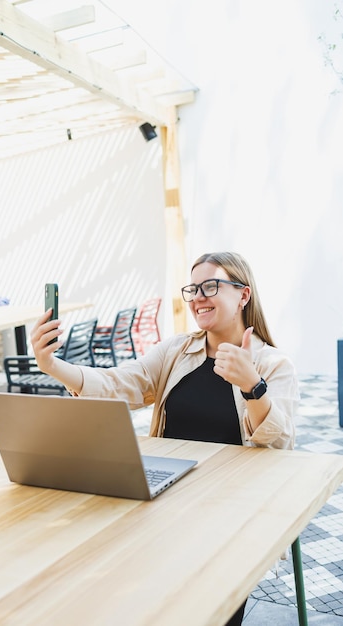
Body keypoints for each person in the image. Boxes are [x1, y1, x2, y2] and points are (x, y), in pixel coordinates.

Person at [31, 251, 299, 626]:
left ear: (243, 295)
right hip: (169, 498)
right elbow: (120, 383)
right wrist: (53, 366)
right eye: (192, 289)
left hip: (230, 513)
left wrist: (253, 386)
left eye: (210, 286)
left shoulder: (272, 365)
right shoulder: (176, 351)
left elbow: (279, 446)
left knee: (199, 605)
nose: (198, 298)